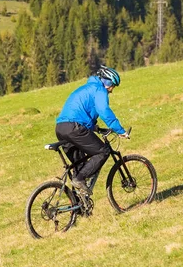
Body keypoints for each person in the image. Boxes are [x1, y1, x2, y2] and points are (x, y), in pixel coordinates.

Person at [55, 65, 128, 195]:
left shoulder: (86, 89)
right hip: (74, 128)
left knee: (80, 166)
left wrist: (96, 128)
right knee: (103, 152)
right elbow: (104, 111)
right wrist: (120, 130)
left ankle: (78, 207)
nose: (111, 90)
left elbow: (82, 114)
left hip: (61, 128)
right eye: (111, 85)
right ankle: (79, 179)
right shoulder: (99, 90)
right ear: (105, 81)